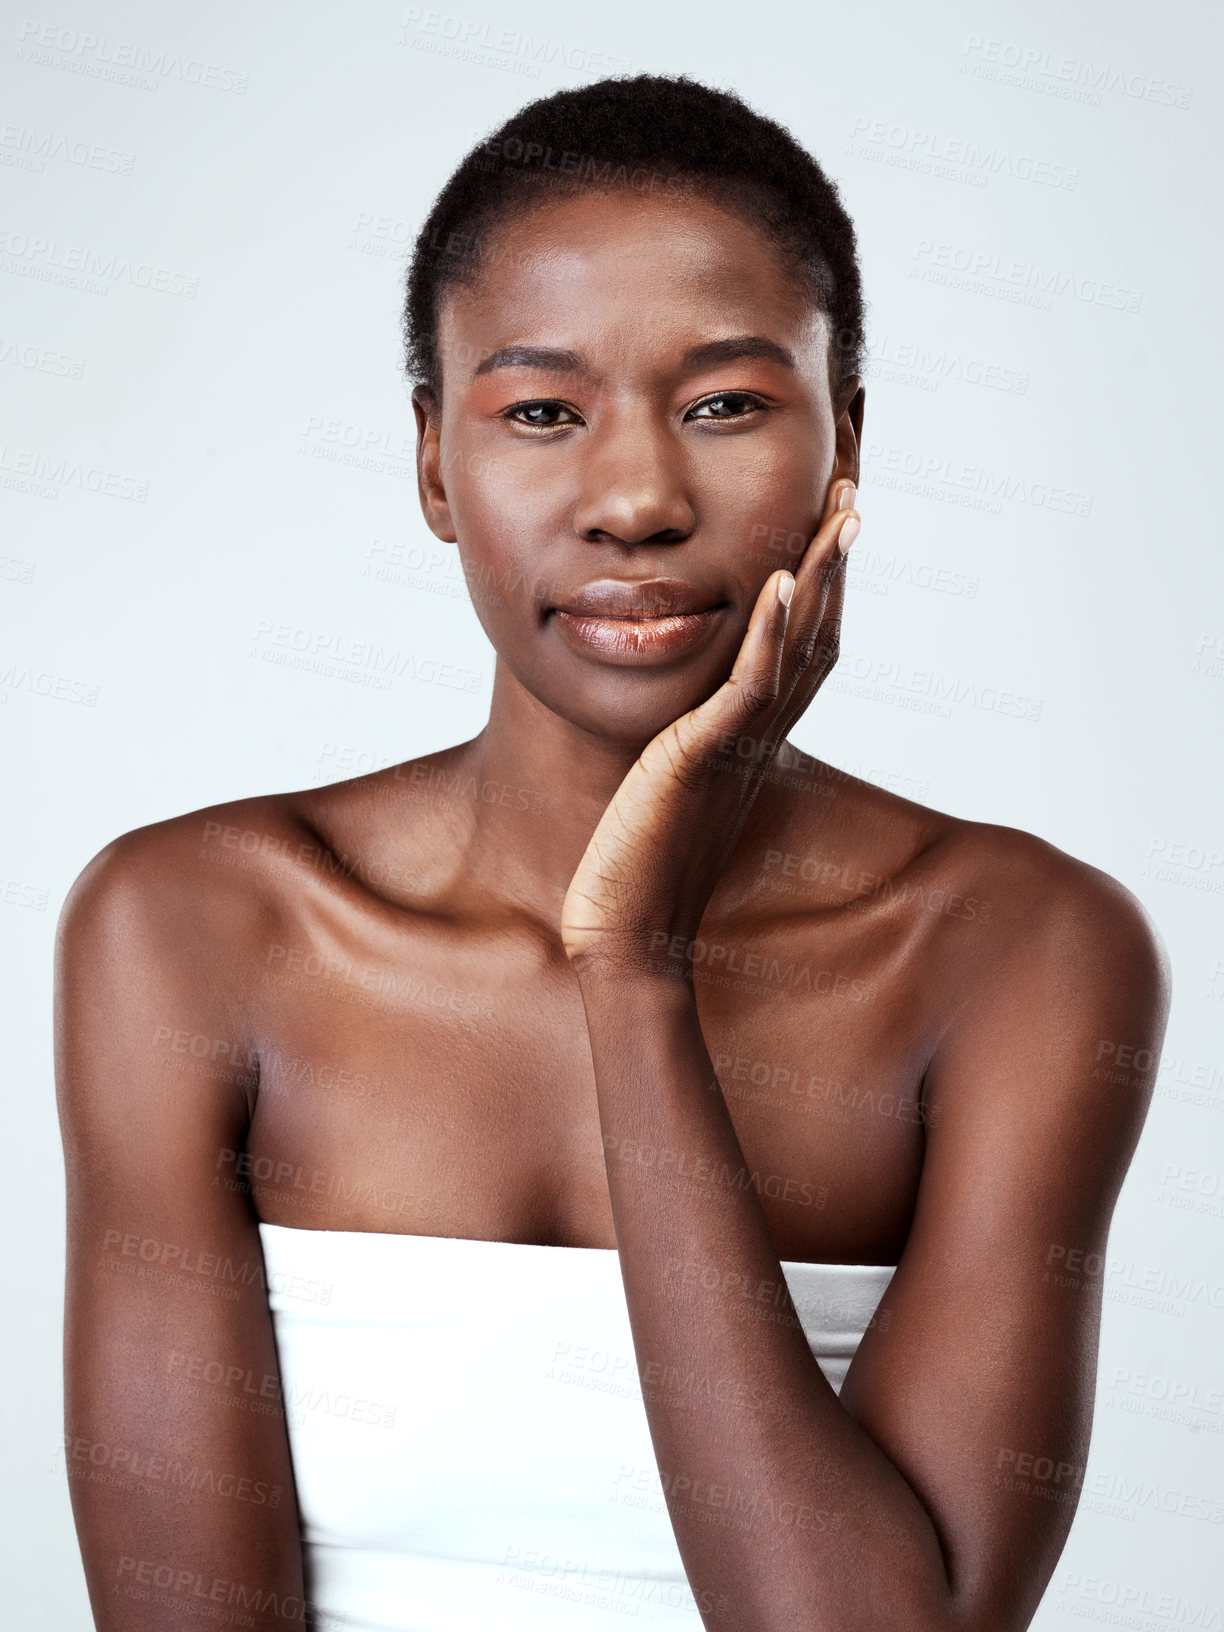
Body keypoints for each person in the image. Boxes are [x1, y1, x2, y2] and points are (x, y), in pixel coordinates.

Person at [55, 73, 1169, 1632]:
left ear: (845, 446)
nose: (636, 500)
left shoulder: (1020, 952)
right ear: (436, 463)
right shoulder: (191, 928)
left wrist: (633, 973)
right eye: (540, 413)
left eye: (724, 403)